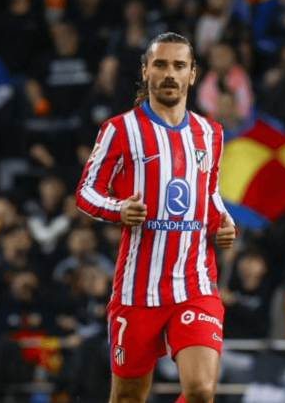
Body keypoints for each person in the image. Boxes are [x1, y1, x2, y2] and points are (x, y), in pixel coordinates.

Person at [75, 32, 237, 403]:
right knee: (128, 397)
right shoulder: (120, 129)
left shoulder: (210, 133)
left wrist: (223, 221)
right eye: (161, 64)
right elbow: (85, 192)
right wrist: (120, 209)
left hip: (195, 285)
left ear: (193, 74)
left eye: (179, 65)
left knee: (200, 391)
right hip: (138, 290)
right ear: (146, 70)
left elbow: (208, 192)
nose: (169, 73)